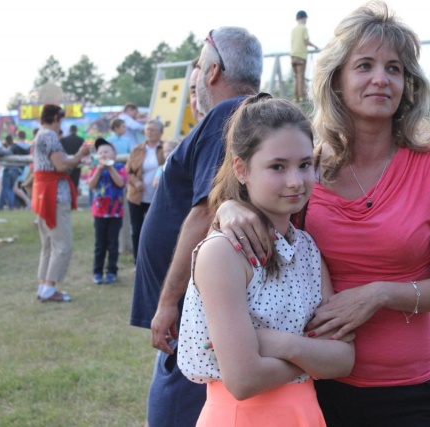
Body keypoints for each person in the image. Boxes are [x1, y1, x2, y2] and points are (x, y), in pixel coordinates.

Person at [215, 3, 430, 425]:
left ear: (407, 83)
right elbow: (253, 202)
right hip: (311, 385)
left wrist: (379, 294)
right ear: (336, 79)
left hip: (405, 391)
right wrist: (229, 208)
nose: (380, 79)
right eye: (364, 65)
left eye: (393, 68)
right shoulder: (307, 168)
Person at [178, 94, 354, 426]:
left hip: (304, 413)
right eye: (277, 167)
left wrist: (279, 343)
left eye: (304, 165)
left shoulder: (306, 248)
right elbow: (244, 380)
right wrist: (312, 357)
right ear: (241, 169)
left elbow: (343, 359)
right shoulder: (223, 252)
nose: (295, 181)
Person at [130, 26, 263, 427]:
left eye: (200, 70)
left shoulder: (229, 113)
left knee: (172, 412)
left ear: (213, 71)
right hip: (205, 306)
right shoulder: (256, 114)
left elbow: (207, 210)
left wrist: (169, 301)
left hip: (195, 310)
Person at [31, 103, 93, 302]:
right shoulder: (50, 136)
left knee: (48, 245)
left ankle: (44, 287)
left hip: (44, 192)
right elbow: (61, 165)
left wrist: (75, 159)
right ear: (57, 118)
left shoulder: (40, 135)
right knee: (62, 244)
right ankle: (49, 289)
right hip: (55, 195)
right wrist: (81, 155)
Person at [87, 137, 127, 285]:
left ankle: (112, 271)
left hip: (115, 213)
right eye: (100, 152)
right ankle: (97, 272)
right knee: (100, 245)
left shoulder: (119, 168)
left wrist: (110, 168)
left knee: (113, 244)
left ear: (114, 154)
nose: (103, 155)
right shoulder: (95, 168)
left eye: (106, 152)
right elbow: (91, 185)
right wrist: (99, 169)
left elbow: (121, 183)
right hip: (99, 213)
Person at [125, 119, 165, 262]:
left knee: (155, 229)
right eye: (147, 129)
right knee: (137, 229)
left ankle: (153, 260)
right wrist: (136, 181)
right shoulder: (137, 149)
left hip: (157, 197)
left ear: (161, 132)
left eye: (153, 129)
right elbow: (128, 171)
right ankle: (138, 261)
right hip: (137, 196)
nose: (149, 132)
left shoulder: (165, 149)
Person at [291, 10, 319, 102]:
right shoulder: (304, 28)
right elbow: (306, 41)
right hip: (301, 55)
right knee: (300, 76)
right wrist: (315, 46)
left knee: (296, 77)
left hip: (293, 55)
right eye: (306, 19)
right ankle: (301, 96)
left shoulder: (294, 29)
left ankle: (296, 97)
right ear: (303, 19)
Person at [59, 124, 85, 192]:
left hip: (67, 164)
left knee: (67, 182)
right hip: (77, 164)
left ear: (70, 130)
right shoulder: (81, 140)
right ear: (76, 130)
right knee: (75, 183)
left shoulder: (63, 140)